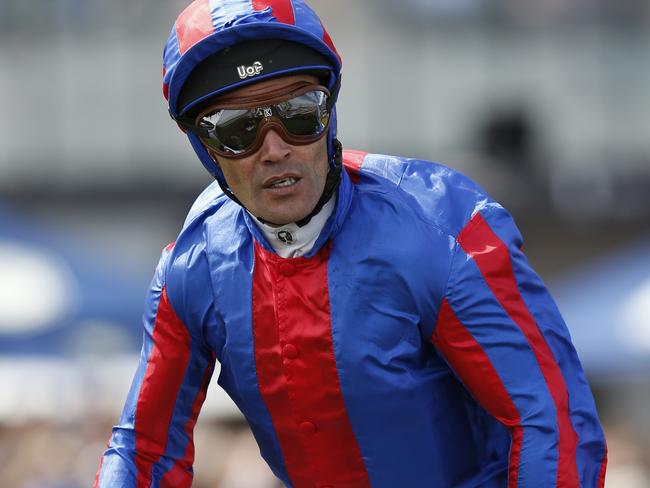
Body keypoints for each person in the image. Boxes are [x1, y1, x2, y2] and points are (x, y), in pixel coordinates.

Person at [95, 1, 608, 487]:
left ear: (330, 113)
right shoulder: (192, 266)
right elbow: (143, 450)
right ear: (205, 149)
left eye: (299, 113)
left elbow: (551, 420)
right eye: (237, 129)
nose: (274, 149)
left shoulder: (445, 228)